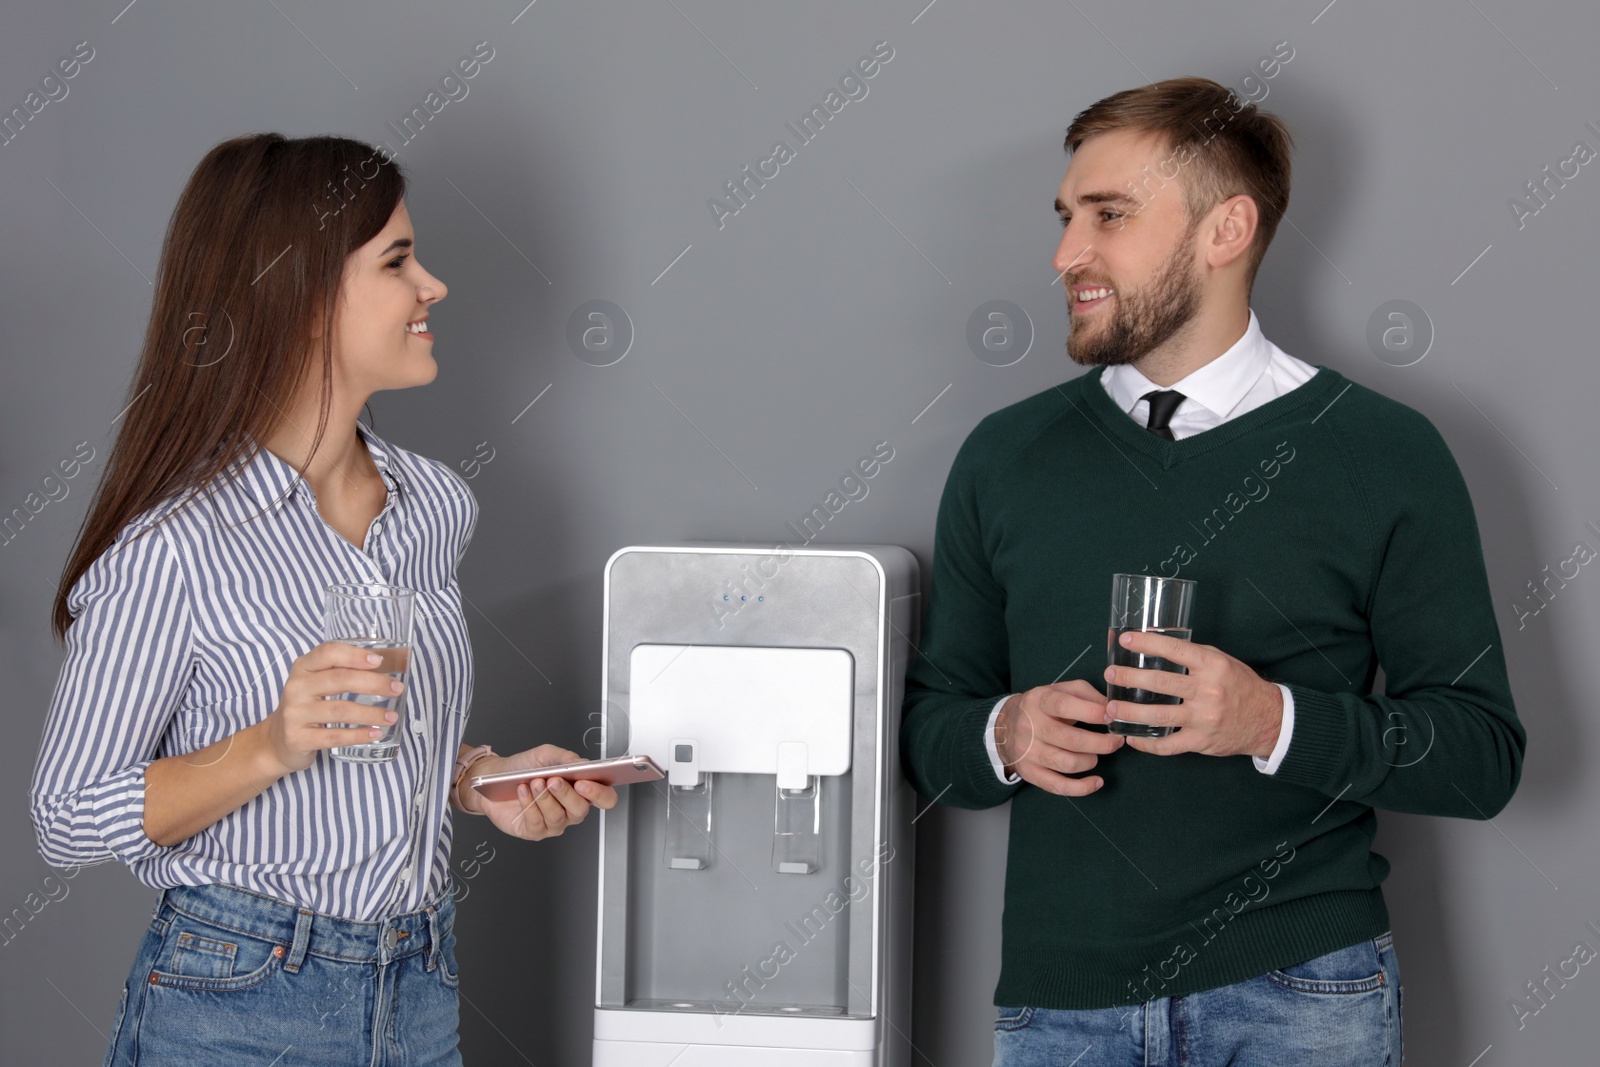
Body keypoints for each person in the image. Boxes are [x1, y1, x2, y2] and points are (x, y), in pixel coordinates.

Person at [900, 77, 1524, 1066]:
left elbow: (1481, 757)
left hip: (1306, 992)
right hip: (1062, 1005)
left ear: (1225, 229)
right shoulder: (1004, 457)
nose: (1066, 254)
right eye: (1066, 218)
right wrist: (1003, 730)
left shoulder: (1382, 453)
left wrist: (1268, 720)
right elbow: (933, 731)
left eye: (1108, 216)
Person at [28, 133, 616, 1066]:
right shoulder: (176, 545)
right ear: (298, 297)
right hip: (237, 1000)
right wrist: (270, 742)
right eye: (397, 261)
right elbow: (64, 815)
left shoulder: (433, 504)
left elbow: (375, 735)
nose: (434, 286)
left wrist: (476, 780)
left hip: (417, 984)